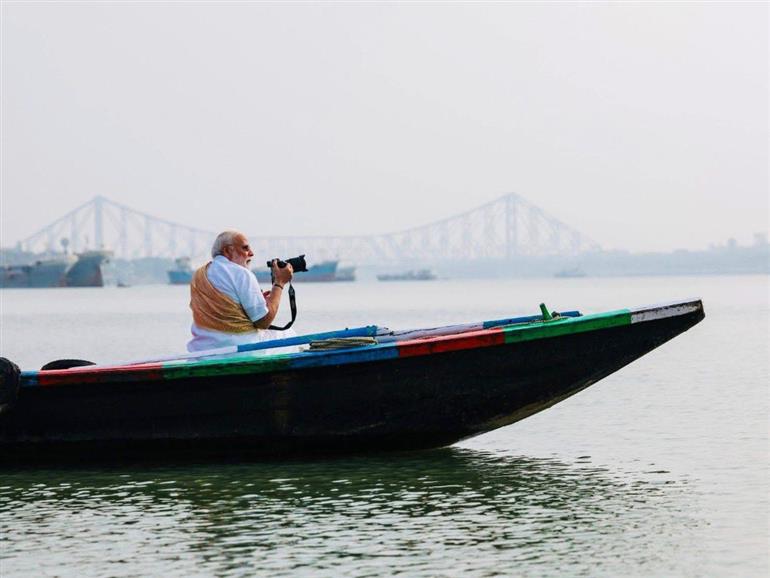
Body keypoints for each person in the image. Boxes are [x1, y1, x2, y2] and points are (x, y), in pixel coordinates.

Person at [187, 230, 295, 352]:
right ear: (228, 251)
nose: (251, 253)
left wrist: (258, 301)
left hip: (201, 351)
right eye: (245, 248)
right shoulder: (242, 274)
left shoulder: (199, 274)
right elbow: (263, 322)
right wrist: (279, 283)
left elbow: (224, 309)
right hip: (240, 350)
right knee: (289, 334)